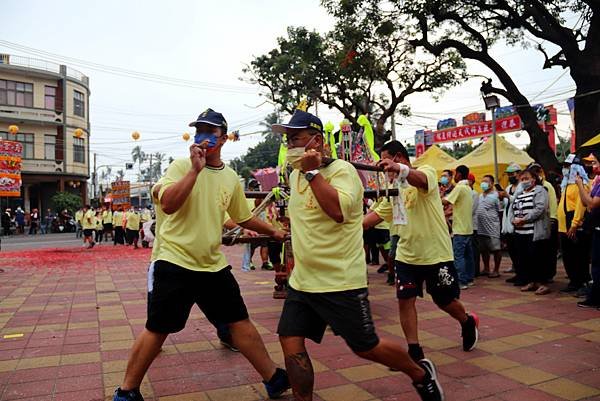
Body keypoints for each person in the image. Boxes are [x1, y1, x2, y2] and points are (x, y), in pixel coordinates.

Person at [113, 108, 291, 401]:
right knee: (158, 329)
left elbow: (242, 216)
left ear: (223, 139)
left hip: (212, 265)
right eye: (199, 131)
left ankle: (272, 378)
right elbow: (169, 205)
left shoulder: (231, 177)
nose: (202, 137)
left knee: (239, 322)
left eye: (210, 132)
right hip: (174, 261)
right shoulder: (180, 167)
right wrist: (194, 170)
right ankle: (127, 391)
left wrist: (273, 232)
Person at [273, 113, 444, 401]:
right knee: (290, 339)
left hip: (340, 281)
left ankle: (420, 374)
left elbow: (338, 212)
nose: (291, 146)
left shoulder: (343, 172)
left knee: (366, 346)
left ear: (317, 141)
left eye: (296, 139)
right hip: (303, 281)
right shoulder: (294, 174)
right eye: (288, 140)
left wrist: (314, 172)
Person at [377, 140, 479, 365]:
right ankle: (414, 350)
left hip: (436, 254)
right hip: (406, 255)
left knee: (444, 300)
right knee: (405, 301)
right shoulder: (393, 190)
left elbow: (421, 181)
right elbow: (371, 218)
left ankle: (466, 320)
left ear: (399, 158)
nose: (384, 168)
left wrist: (400, 170)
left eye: (386, 161)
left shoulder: (426, 172)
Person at [509, 166, 551, 294]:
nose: (524, 181)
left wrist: (524, 219)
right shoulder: (520, 193)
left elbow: (540, 209)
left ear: (534, 179)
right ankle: (530, 281)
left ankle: (542, 283)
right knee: (524, 258)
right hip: (520, 232)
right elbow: (512, 208)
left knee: (537, 258)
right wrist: (513, 220)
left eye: (526, 178)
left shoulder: (540, 191)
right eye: (522, 179)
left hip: (534, 232)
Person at [557, 155, 591, 295]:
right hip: (563, 226)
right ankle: (573, 281)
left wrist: (574, 224)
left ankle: (582, 281)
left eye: (567, 166)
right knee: (568, 255)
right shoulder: (566, 185)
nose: (565, 169)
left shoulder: (581, 184)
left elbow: (580, 206)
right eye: (564, 166)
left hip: (574, 225)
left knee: (579, 255)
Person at [443, 165, 475, 289]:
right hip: (467, 227)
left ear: (459, 175)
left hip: (460, 228)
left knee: (459, 256)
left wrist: (434, 197)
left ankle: (462, 281)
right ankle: (469, 278)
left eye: (455, 174)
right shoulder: (468, 188)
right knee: (468, 255)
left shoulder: (460, 187)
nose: (454, 176)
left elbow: (446, 201)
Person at [575, 150, 600, 308]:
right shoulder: (597, 182)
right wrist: (582, 187)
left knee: (598, 266)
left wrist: (579, 186)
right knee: (596, 265)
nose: (593, 166)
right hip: (596, 228)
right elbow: (586, 202)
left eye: (595, 162)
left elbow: (591, 204)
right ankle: (595, 297)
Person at [528, 163, 559, 283]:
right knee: (539, 251)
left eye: (537, 172)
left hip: (548, 221)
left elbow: (551, 204)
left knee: (549, 250)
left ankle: (548, 275)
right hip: (536, 223)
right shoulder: (532, 187)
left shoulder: (547, 186)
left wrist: (552, 219)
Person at [475, 175, 503, 278]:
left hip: (493, 227)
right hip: (481, 228)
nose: (483, 183)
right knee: (483, 249)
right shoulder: (480, 195)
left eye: (486, 181)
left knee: (496, 249)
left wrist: (500, 227)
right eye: (482, 181)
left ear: (492, 183)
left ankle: (496, 270)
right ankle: (486, 268)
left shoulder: (497, 195)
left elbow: (501, 211)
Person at [501, 163, 523, 277]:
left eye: (512, 174)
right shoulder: (508, 188)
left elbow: (518, 201)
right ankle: (516, 272)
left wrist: (507, 196)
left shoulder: (522, 186)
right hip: (508, 223)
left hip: (518, 223)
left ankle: (521, 274)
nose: (510, 176)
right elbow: (505, 204)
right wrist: (502, 197)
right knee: (512, 250)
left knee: (519, 251)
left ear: (519, 174)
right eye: (508, 174)